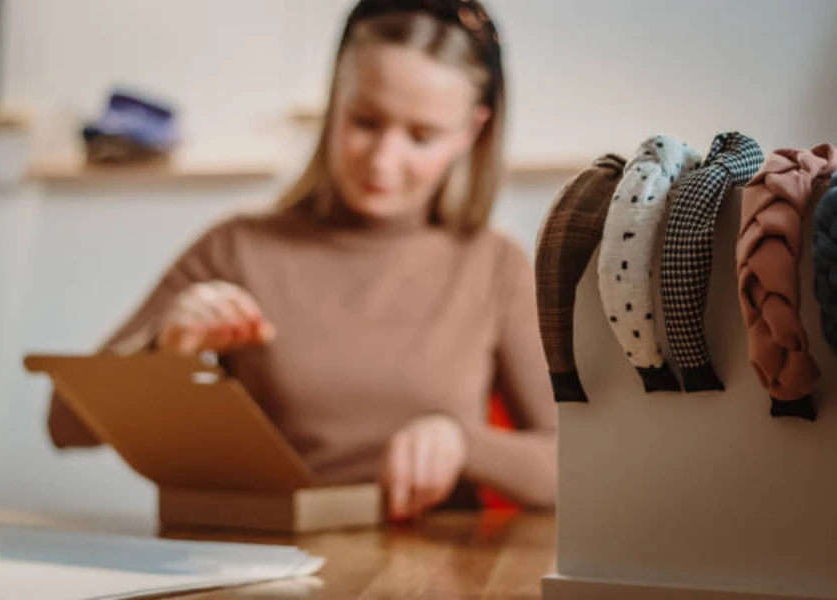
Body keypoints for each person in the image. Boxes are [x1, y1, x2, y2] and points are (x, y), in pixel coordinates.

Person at [47, 0, 557, 521]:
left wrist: (467, 444)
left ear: (472, 131)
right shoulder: (235, 249)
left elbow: (571, 468)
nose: (383, 160)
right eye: (364, 120)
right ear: (335, 99)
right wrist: (162, 354)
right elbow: (64, 425)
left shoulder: (494, 265)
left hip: (439, 575)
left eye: (421, 136)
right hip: (267, 566)